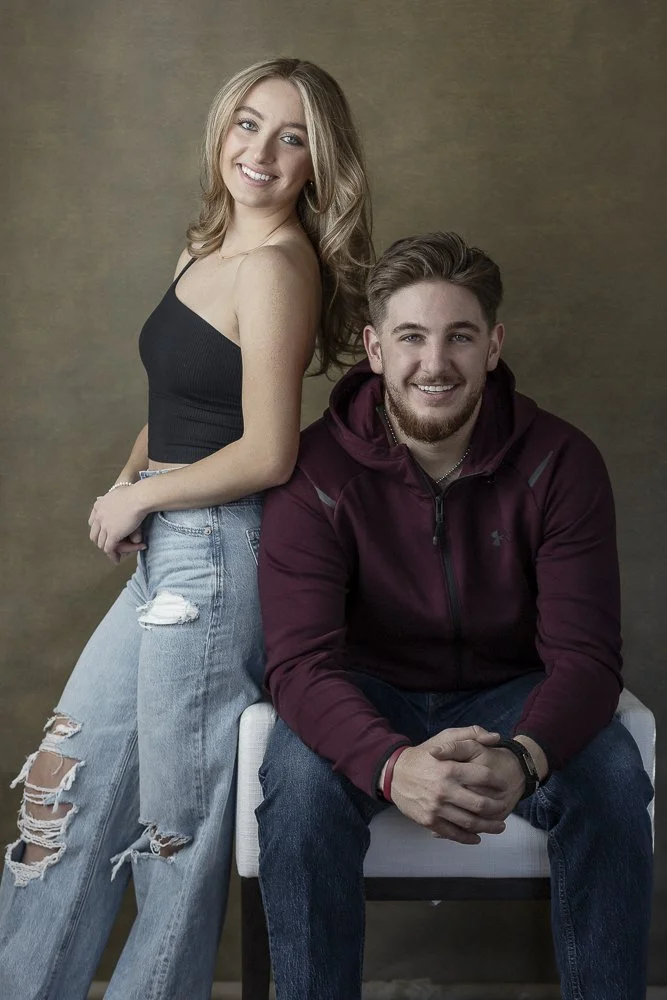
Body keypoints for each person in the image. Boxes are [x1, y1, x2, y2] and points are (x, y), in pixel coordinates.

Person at [0, 57, 372, 1000]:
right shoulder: (203, 249)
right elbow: (173, 406)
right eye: (248, 124)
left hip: (217, 554)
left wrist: (147, 498)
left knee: (176, 826)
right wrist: (126, 481)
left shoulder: (281, 268)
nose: (261, 151)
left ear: (317, 166)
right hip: (169, 544)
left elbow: (269, 454)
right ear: (220, 130)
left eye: (292, 138)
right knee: (64, 790)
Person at [256, 231, 654, 1000]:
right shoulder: (313, 472)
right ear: (373, 348)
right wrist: (390, 763)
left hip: (513, 692)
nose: (433, 363)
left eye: (458, 337)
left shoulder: (561, 461)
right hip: (367, 692)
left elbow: (585, 659)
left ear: (493, 345)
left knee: (608, 772)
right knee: (299, 790)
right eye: (410, 337)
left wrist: (525, 756)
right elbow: (299, 665)